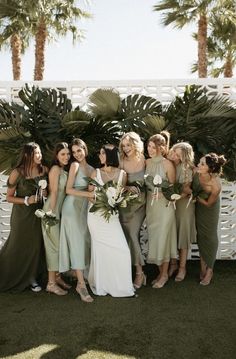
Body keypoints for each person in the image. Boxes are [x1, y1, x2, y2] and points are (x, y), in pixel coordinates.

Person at [87, 144, 135, 297]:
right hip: (96, 216)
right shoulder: (96, 172)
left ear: (109, 155)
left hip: (112, 216)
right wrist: (102, 201)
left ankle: (121, 286)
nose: (100, 156)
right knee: (101, 250)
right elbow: (90, 194)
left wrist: (125, 193)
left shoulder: (122, 174)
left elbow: (120, 192)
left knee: (122, 250)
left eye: (102, 153)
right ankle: (103, 285)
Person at [0, 142, 48, 292]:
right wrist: (27, 200)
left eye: (40, 153)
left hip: (40, 213)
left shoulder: (44, 169)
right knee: (18, 245)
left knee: (36, 246)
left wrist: (45, 194)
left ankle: (32, 277)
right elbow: (8, 197)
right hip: (22, 215)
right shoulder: (17, 173)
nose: (39, 156)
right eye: (36, 154)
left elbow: (49, 191)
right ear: (27, 155)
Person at [59, 138, 94, 302]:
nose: (76, 154)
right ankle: (81, 285)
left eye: (79, 150)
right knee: (78, 243)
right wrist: (88, 194)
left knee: (85, 241)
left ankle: (82, 276)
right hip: (72, 208)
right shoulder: (75, 166)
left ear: (84, 149)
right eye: (73, 152)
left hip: (84, 209)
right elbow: (68, 189)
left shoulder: (92, 169)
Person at [145, 134, 177, 288]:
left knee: (163, 238)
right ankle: (161, 272)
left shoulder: (168, 164)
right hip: (151, 207)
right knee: (155, 238)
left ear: (161, 148)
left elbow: (173, 186)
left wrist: (163, 191)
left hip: (165, 206)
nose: (150, 149)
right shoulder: (146, 163)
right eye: (148, 146)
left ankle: (164, 275)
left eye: (153, 147)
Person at [42, 142, 71, 295]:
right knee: (53, 247)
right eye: (63, 154)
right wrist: (52, 214)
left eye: (67, 154)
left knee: (58, 245)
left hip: (58, 211)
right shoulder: (54, 169)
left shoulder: (62, 169)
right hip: (51, 211)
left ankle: (58, 277)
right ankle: (51, 283)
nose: (66, 157)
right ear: (56, 156)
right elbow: (53, 192)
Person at [194, 153, 226, 286]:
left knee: (210, 236)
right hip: (198, 208)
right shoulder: (196, 173)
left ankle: (210, 269)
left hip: (209, 209)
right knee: (201, 236)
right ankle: (202, 268)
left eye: (202, 164)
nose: (198, 165)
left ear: (210, 168)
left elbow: (209, 204)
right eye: (199, 162)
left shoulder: (215, 184)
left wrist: (195, 196)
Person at [119, 132, 146, 289]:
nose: (126, 148)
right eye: (124, 146)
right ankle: (131, 271)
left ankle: (139, 273)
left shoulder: (145, 160)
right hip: (126, 205)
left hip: (141, 205)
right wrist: (128, 187)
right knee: (127, 236)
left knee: (133, 234)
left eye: (128, 144)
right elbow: (119, 185)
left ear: (136, 144)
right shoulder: (121, 162)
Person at [168, 142, 196, 281]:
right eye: (173, 152)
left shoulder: (187, 168)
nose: (174, 155)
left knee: (183, 234)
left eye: (177, 154)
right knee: (172, 233)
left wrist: (174, 198)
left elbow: (186, 190)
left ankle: (182, 268)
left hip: (184, 205)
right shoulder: (169, 164)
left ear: (184, 156)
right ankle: (173, 264)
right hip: (172, 203)